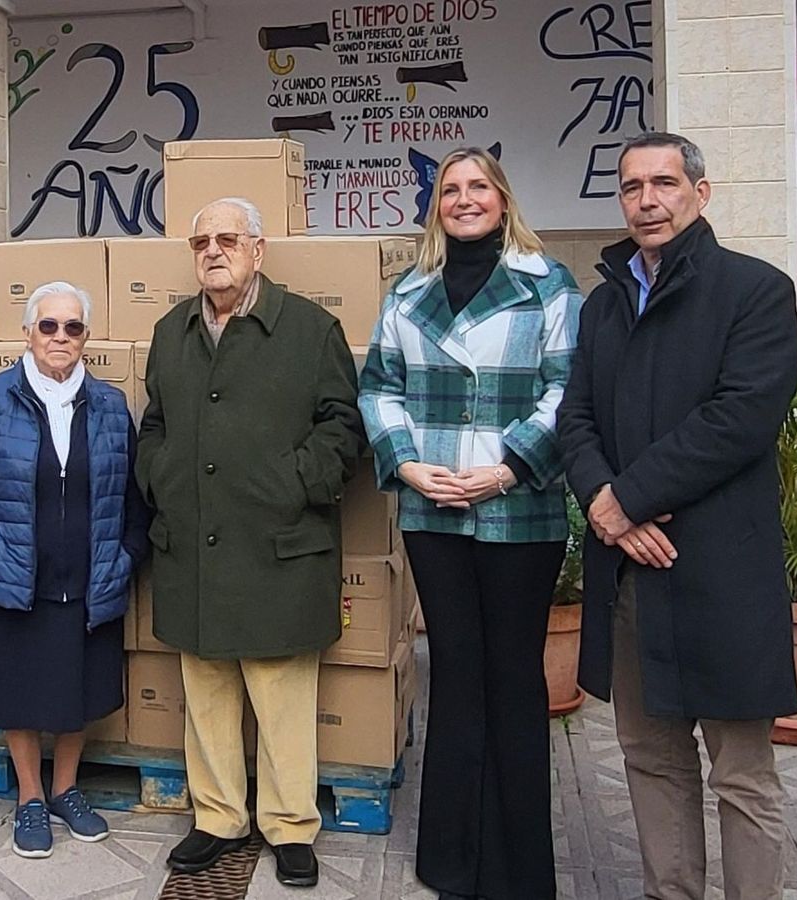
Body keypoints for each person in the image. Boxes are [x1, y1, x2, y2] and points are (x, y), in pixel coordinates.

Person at [558, 132, 797, 900]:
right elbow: (576, 419)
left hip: (723, 571)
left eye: (664, 182)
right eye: (632, 187)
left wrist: (624, 498)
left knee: (742, 775)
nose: (647, 200)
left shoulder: (755, 291)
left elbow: (740, 418)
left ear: (702, 192)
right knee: (650, 758)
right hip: (631, 572)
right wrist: (606, 507)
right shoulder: (603, 305)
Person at [358, 147, 583, 900]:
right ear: (437, 206)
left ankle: (519, 867)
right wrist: (408, 464)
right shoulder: (407, 290)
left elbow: (568, 388)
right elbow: (380, 385)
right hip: (433, 505)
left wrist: (511, 465)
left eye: (478, 185)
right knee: (453, 669)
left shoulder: (549, 284)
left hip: (520, 506)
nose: (464, 199)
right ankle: (450, 859)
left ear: (503, 196)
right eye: (451, 189)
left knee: (513, 675)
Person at [137, 197, 363, 888]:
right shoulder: (171, 328)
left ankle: (291, 828)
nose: (213, 250)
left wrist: (292, 482)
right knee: (205, 695)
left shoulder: (310, 328)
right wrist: (161, 477)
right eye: (201, 240)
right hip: (194, 548)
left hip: (278, 545)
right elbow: (155, 425)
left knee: (282, 696)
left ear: (258, 250)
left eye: (227, 238)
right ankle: (218, 819)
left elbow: (343, 429)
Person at [0, 281, 148, 859]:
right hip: (16, 575)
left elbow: (134, 493)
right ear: (27, 334)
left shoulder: (109, 404)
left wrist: (129, 552)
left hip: (89, 574)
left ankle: (66, 789)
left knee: (77, 689)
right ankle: (30, 797)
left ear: (85, 337)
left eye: (73, 327)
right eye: (49, 326)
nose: (61, 337)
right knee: (20, 691)